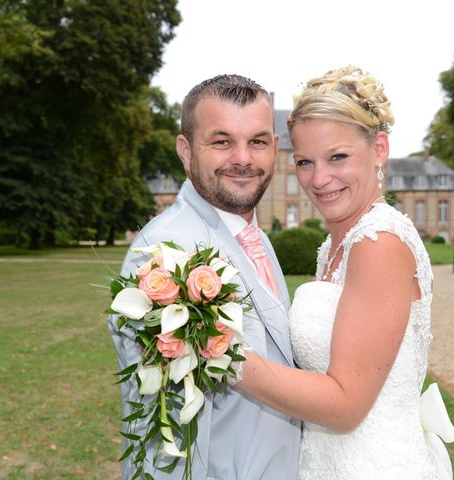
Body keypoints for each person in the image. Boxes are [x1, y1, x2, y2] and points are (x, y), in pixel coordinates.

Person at [235, 66, 454, 479]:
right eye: (305, 162)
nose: (319, 180)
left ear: (379, 150)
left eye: (338, 156)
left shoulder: (378, 244)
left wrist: (223, 356)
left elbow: (344, 406)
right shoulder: (336, 246)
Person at [107, 74, 300, 480]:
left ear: (276, 149)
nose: (243, 158)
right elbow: (164, 430)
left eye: (258, 141)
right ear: (185, 149)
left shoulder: (255, 237)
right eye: (222, 141)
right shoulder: (164, 255)